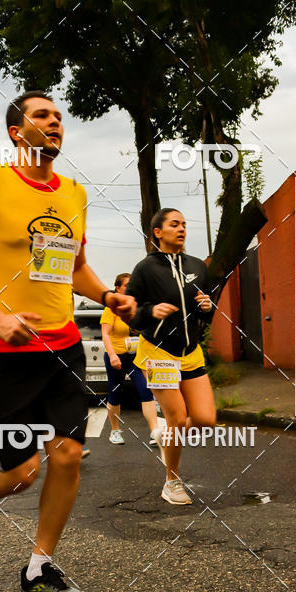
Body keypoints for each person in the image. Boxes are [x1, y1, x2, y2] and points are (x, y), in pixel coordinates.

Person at [0, 90, 135, 592]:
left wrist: (107, 296)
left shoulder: (73, 193)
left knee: (67, 455)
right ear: (16, 132)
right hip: (0, 349)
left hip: (62, 347)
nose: (54, 122)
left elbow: (74, 268)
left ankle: (38, 569)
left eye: (59, 117)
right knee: (21, 474)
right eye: (42, 115)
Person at [126, 208, 216, 505]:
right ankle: (172, 482)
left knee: (205, 419)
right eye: (174, 224)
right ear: (158, 232)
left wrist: (207, 307)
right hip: (158, 352)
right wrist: (150, 311)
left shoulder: (197, 266)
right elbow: (130, 313)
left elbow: (205, 308)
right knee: (176, 418)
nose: (182, 229)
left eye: (184, 224)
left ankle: (168, 435)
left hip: (190, 352)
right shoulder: (145, 268)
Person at [100, 272, 158, 445]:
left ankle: (154, 432)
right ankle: (115, 431)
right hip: (116, 357)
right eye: (126, 285)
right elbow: (105, 334)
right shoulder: (111, 309)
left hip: (135, 357)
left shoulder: (136, 307)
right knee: (115, 394)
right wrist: (112, 355)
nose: (130, 288)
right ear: (118, 288)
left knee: (146, 391)